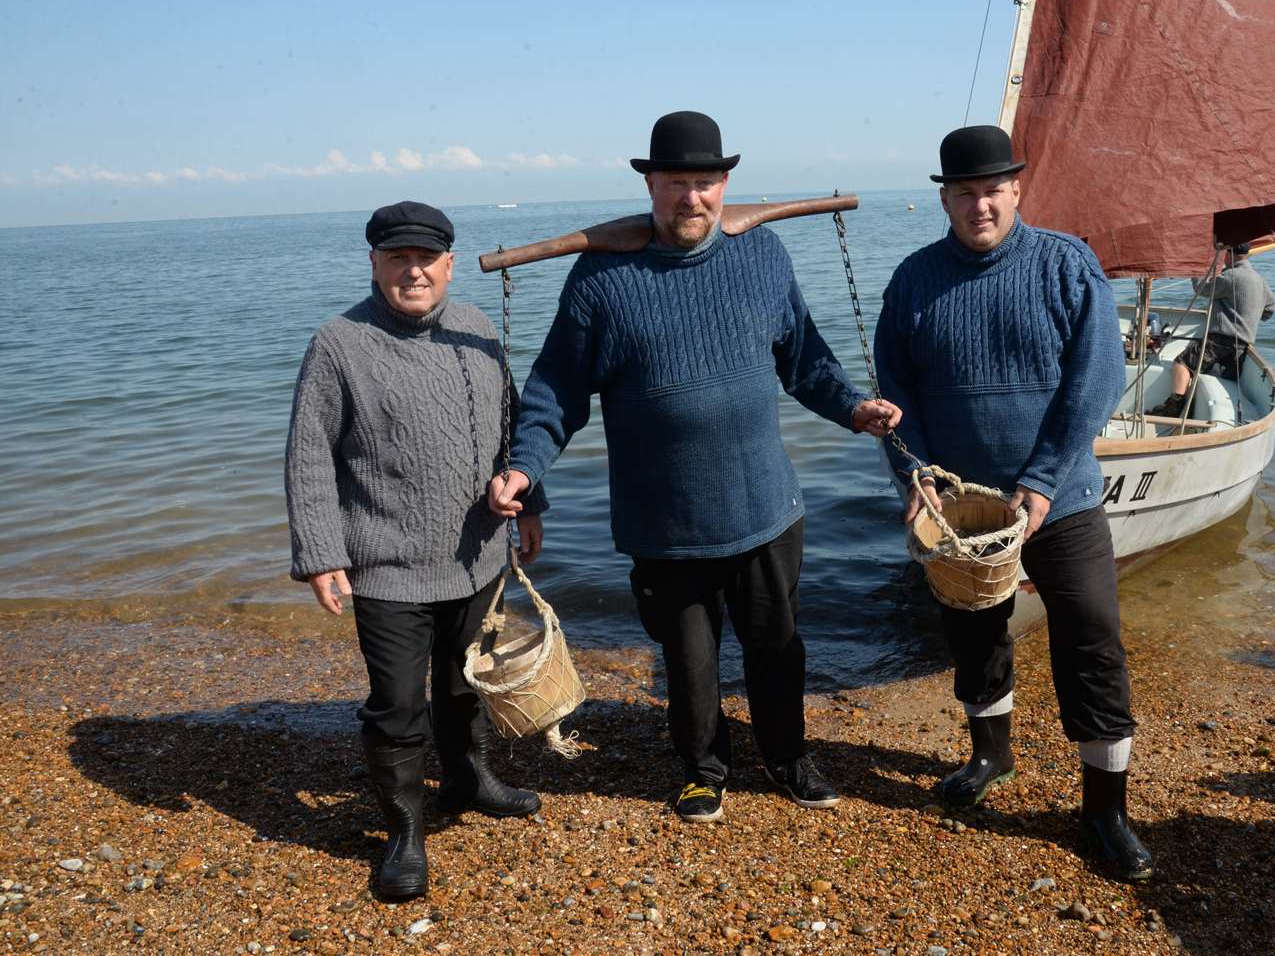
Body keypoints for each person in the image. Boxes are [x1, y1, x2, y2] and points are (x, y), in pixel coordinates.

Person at [489, 111, 901, 824]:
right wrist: (524, 470)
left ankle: (787, 758)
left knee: (778, 646)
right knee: (689, 661)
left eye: (704, 182)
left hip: (766, 507)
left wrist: (853, 411)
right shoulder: (601, 279)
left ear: (725, 183)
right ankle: (701, 770)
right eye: (675, 182)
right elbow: (554, 390)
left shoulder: (763, 255)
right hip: (663, 519)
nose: (691, 198)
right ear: (650, 184)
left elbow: (805, 361)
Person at [873, 125, 1153, 880]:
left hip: (1061, 501)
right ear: (944, 197)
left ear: (1016, 189)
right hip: (961, 514)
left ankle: (1105, 808)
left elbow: (1093, 384)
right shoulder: (912, 280)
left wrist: (1038, 481)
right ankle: (990, 756)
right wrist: (918, 479)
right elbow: (895, 391)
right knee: (973, 635)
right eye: (962, 192)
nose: (978, 205)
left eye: (991, 189)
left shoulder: (1068, 264)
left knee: (1091, 635)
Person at [285, 201, 546, 902]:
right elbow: (309, 456)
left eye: (426, 258)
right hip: (387, 564)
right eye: (397, 258)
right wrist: (319, 551)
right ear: (373, 263)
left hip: (478, 554)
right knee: (397, 706)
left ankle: (470, 781)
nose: (413, 271)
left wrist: (532, 505)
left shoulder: (477, 327)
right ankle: (404, 832)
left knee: (465, 684)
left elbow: (509, 422)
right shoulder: (338, 343)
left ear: (449, 264)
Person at [1148, 242, 1275, 417]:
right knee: (1211, 372)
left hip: (1219, 342)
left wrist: (1195, 271)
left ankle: (1174, 407)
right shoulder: (1260, 280)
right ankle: (1188, 405)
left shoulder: (1232, 276)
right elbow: (1270, 310)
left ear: (1229, 254)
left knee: (1182, 363)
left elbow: (1202, 288)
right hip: (1241, 348)